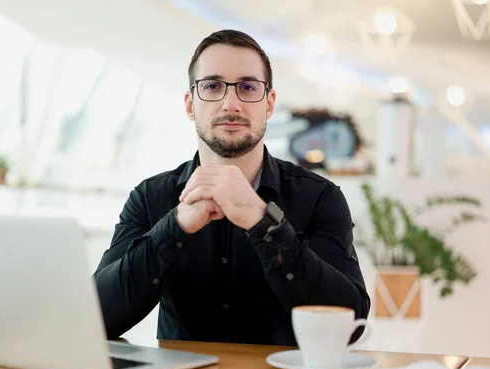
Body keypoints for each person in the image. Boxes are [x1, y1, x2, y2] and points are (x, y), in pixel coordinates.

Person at [93, 29, 370, 346]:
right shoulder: (149, 198)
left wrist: (261, 220)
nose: (231, 103)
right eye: (212, 86)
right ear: (189, 105)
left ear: (269, 104)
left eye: (248, 87)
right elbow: (97, 318)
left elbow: (352, 323)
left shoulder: (321, 197)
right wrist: (174, 227)